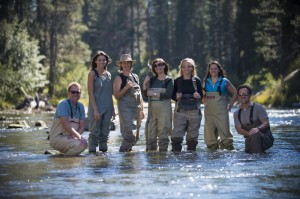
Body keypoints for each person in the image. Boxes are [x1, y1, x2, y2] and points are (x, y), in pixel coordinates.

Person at [202, 60, 237, 151]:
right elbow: (202, 95)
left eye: (215, 68)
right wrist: (205, 103)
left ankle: (228, 154)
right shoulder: (206, 82)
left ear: (219, 70)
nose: (213, 70)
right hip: (209, 112)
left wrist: (231, 105)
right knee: (210, 136)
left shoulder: (224, 81)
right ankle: (212, 155)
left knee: (225, 135)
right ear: (209, 70)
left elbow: (235, 93)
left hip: (222, 112)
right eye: (211, 69)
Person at [113, 54, 144, 152]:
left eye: (128, 63)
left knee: (136, 137)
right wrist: (125, 88)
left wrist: (142, 110)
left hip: (137, 109)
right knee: (130, 135)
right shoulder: (119, 78)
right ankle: (122, 155)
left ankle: (128, 157)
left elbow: (140, 95)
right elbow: (116, 96)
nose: (126, 65)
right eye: (124, 63)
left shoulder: (135, 76)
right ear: (121, 65)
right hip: (125, 110)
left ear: (131, 64)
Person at [171, 58, 203, 152]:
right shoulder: (177, 81)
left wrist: (199, 95)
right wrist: (176, 96)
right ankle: (176, 155)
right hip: (180, 112)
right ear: (181, 68)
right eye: (184, 66)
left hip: (194, 112)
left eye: (189, 66)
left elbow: (201, 95)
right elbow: (172, 96)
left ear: (193, 68)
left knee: (192, 137)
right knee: (176, 135)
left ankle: (191, 156)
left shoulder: (197, 80)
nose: (186, 68)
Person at [142, 58, 173, 152]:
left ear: (164, 66)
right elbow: (145, 96)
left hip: (165, 111)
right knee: (150, 135)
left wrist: (154, 94)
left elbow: (168, 95)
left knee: (163, 135)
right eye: (155, 66)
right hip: (152, 112)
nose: (157, 67)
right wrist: (144, 83)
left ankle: (163, 158)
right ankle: (151, 160)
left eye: (160, 65)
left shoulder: (169, 80)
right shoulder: (151, 80)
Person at [87, 51, 115, 153]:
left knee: (105, 133)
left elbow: (109, 93)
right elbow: (90, 93)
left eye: (104, 60)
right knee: (94, 132)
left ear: (107, 61)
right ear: (95, 61)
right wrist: (95, 110)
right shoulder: (92, 74)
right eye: (99, 60)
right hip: (96, 107)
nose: (102, 62)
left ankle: (104, 158)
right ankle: (92, 156)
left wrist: (112, 108)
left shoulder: (108, 74)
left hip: (107, 107)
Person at [49, 82, 88, 155]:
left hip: (70, 137)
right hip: (57, 137)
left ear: (80, 94)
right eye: (73, 92)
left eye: (78, 92)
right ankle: (66, 161)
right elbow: (66, 125)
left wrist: (75, 136)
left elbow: (82, 126)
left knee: (86, 143)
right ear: (68, 93)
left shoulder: (81, 107)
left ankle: (65, 159)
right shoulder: (63, 104)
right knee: (81, 145)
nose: (75, 94)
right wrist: (79, 137)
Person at [233, 85, 271, 153]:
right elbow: (239, 130)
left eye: (245, 94)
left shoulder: (259, 108)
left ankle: (257, 159)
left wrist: (258, 129)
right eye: (240, 94)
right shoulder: (236, 113)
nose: (243, 96)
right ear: (238, 96)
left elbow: (266, 123)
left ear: (250, 95)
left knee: (255, 134)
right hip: (249, 139)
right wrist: (249, 133)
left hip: (265, 138)